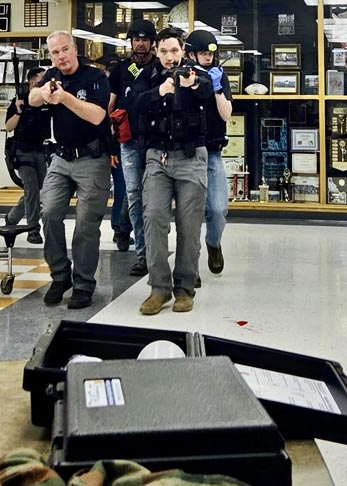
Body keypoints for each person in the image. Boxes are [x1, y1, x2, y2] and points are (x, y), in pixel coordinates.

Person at [29, 30, 111, 310]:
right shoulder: (51, 75)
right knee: (49, 213)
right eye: (55, 52)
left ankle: (84, 283)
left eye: (65, 50)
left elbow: (98, 115)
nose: (61, 56)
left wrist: (64, 98)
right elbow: (31, 100)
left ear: (75, 49)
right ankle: (60, 275)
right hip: (61, 159)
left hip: (92, 157)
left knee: (86, 225)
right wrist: (43, 92)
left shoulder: (95, 77)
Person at [134, 27, 213, 315]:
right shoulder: (147, 76)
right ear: (157, 51)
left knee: (189, 226)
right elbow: (136, 104)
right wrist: (160, 91)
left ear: (183, 52)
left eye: (175, 51)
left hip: (191, 157)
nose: (170, 57)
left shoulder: (195, 73)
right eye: (164, 51)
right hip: (158, 157)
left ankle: (184, 288)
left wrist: (191, 84)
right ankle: (159, 288)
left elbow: (206, 92)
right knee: (153, 217)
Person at [108, 19, 158, 275]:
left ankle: (149, 245)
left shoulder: (160, 69)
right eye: (136, 39)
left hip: (157, 144)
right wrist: (111, 146)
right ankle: (143, 254)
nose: (140, 44)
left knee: (153, 199)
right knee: (134, 196)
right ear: (130, 42)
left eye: (145, 40)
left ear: (152, 43)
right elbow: (109, 108)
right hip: (128, 143)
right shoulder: (120, 71)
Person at [186, 29, 232, 276]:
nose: (208, 58)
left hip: (213, 151)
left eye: (211, 54)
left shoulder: (219, 76)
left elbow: (226, 115)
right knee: (190, 212)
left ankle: (213, 244)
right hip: (189, 152)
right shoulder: (184, 75)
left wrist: (216, 88)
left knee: (217, 209)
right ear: (191, 54)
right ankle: (190, 265)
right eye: (203, 53)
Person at [4, 67, 52, 244]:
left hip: (40, 150)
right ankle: (33, 229)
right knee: (31, 188)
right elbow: (9, 127)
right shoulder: (20, 101)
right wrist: (18, 111)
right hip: (22, 152)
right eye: (41, 79)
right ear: (32, 82)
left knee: (38, 189)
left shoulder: (46, 101)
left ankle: (11, 217)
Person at [104, 57, 133, 252]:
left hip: (126, 144)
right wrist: (112, 150)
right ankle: (119, 228)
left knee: (126, 191)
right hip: (117, 146)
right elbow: (109, 122)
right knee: (124, 191)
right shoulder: (106, 96)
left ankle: (120, 228)